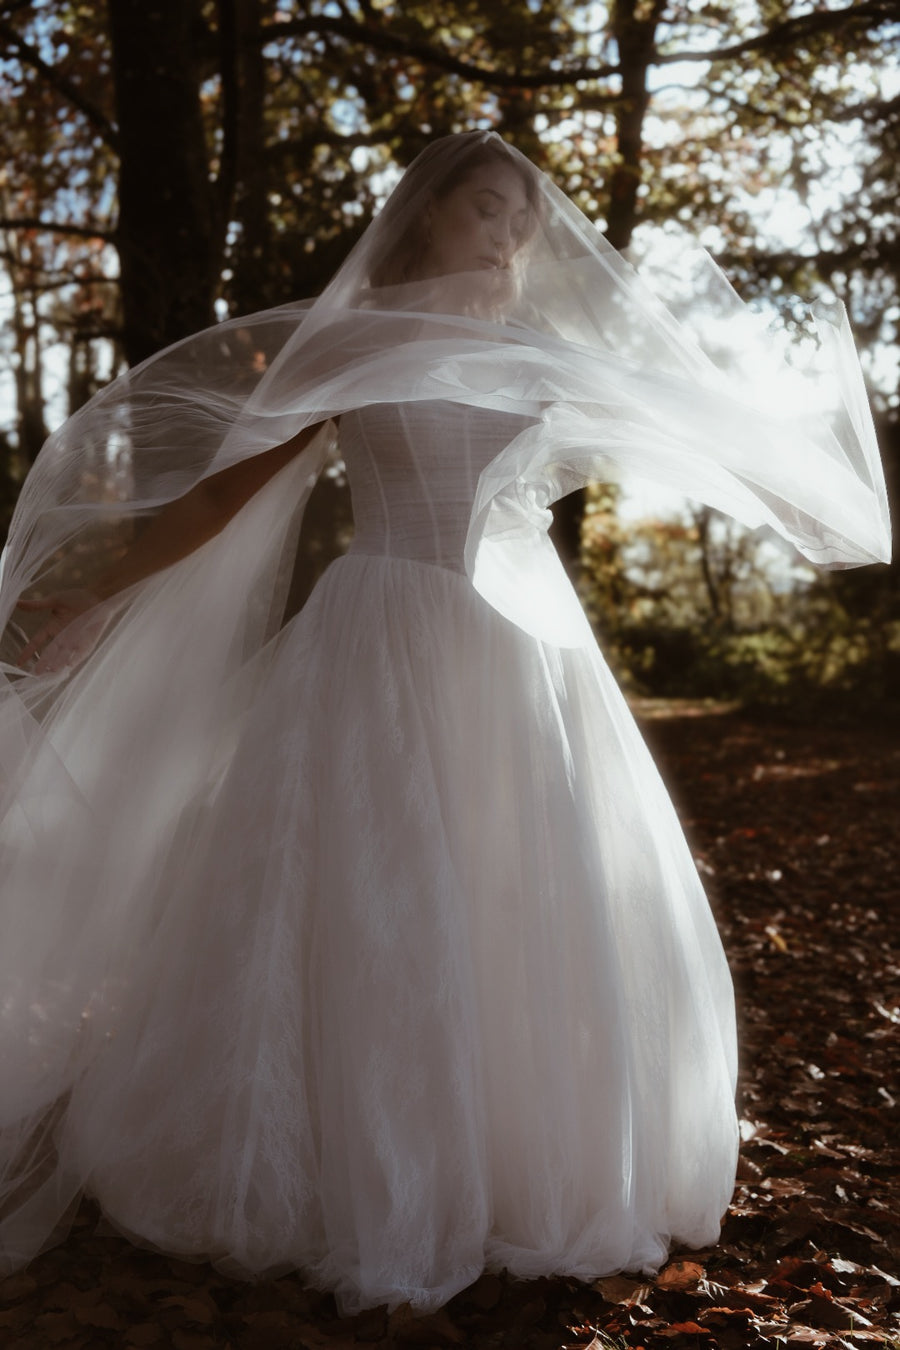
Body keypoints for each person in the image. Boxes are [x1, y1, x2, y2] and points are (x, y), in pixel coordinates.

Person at [0, 131, 890, 1315]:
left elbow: (683, 421)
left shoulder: (534, 353)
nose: (512, 233)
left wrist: (806, 471)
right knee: (369, 893)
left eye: (522, 216)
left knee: (515, 893)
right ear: (424, 216)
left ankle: (514, 1160)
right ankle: (349, 1162)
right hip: (375, 631)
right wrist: (94, 598)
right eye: (486, 208)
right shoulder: (354, 342)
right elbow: (223, 491)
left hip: (512, 654)